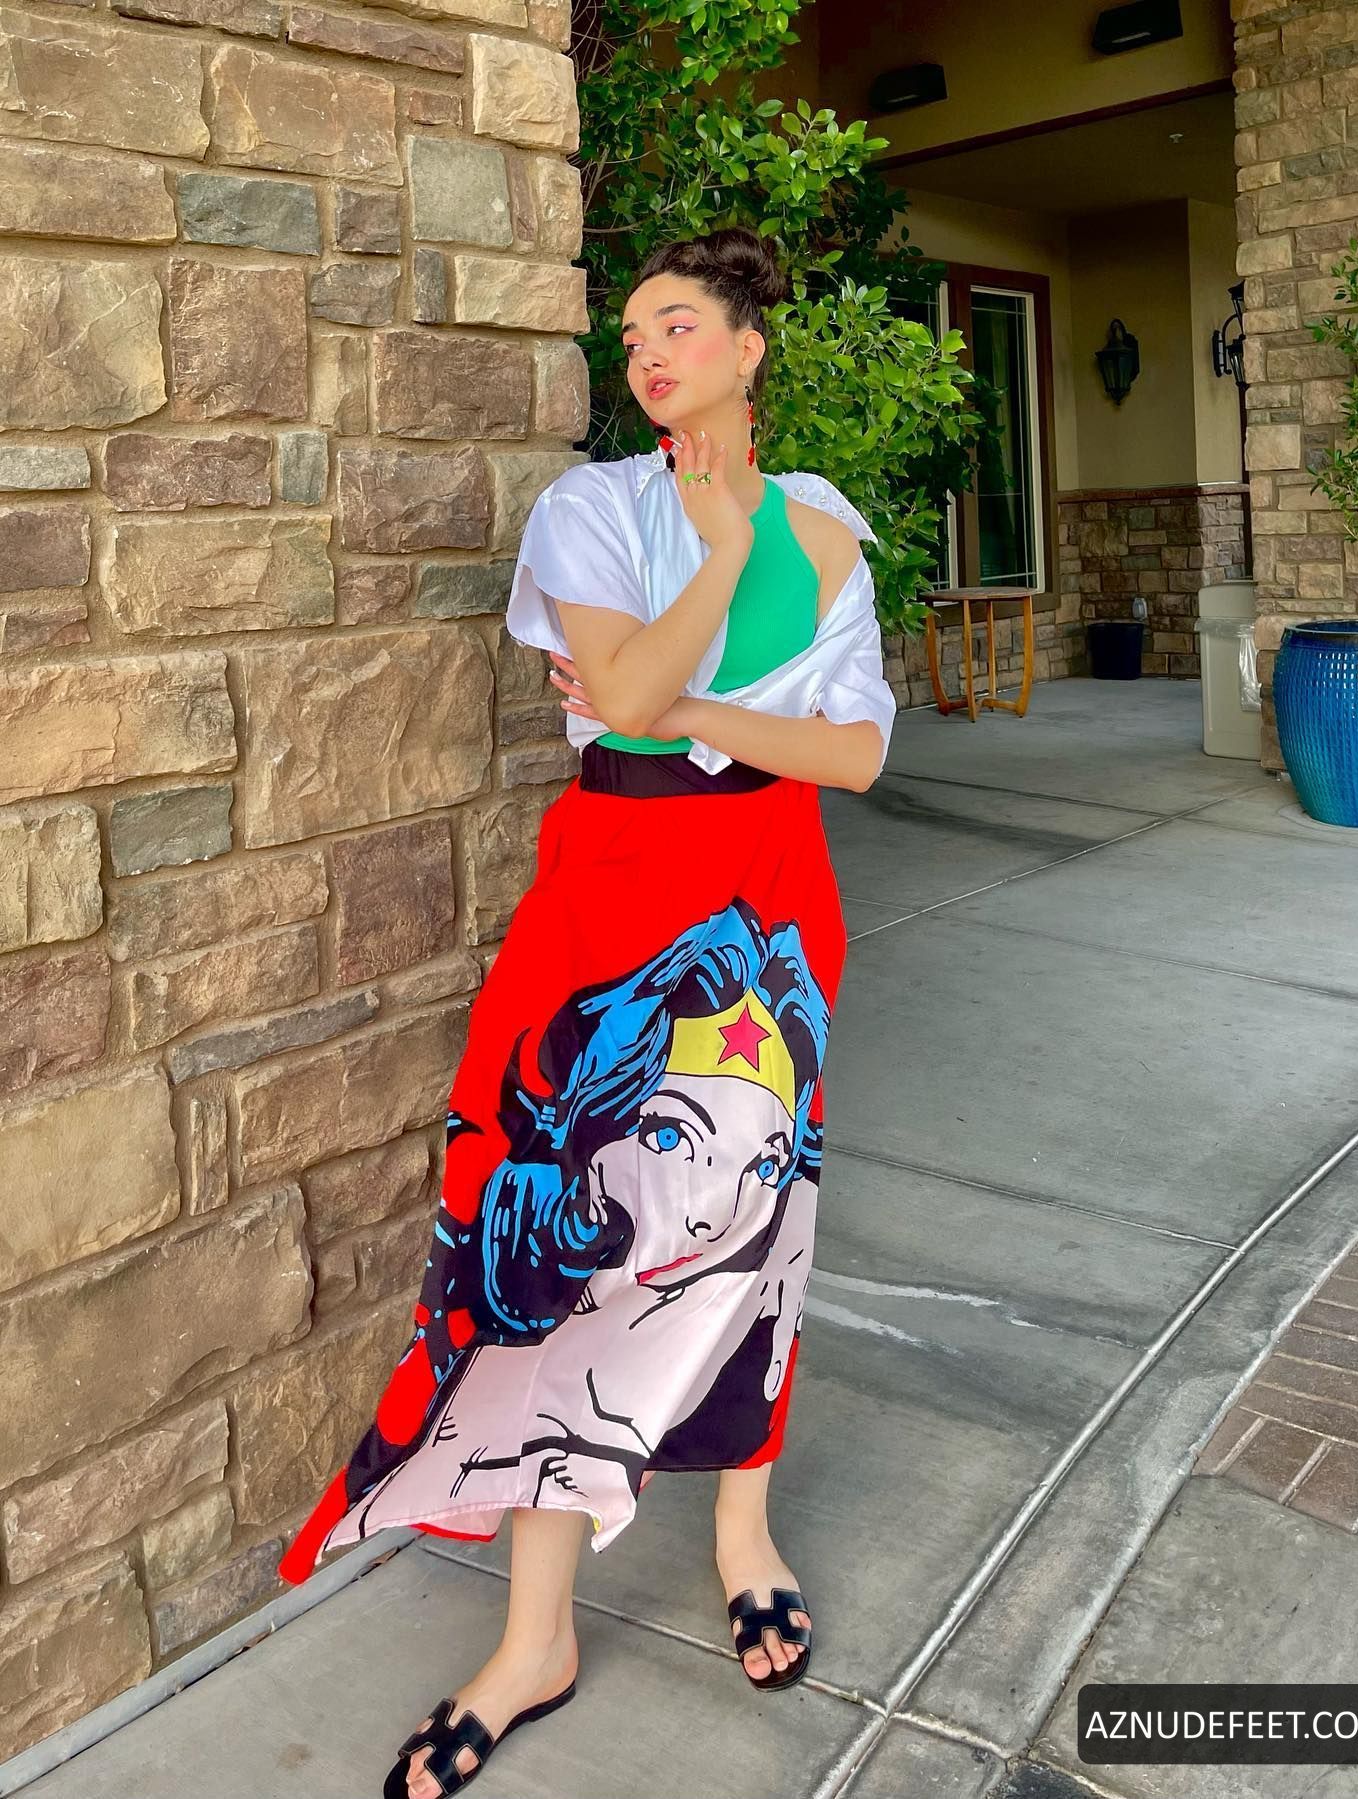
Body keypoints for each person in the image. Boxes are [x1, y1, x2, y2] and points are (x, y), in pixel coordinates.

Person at [274, 225, 896, 1799]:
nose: (648, 352)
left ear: (749, 345)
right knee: (560, 1228)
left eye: (678, 325)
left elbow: (855, 752)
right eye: (632, 337)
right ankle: (534, 1636)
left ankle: (742, 1534)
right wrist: (714, 572)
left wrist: (681, 694)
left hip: (770, 902)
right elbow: (618, 706)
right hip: (611, 891)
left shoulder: (827, 524)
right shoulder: (596, 507)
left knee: (755, 1224)